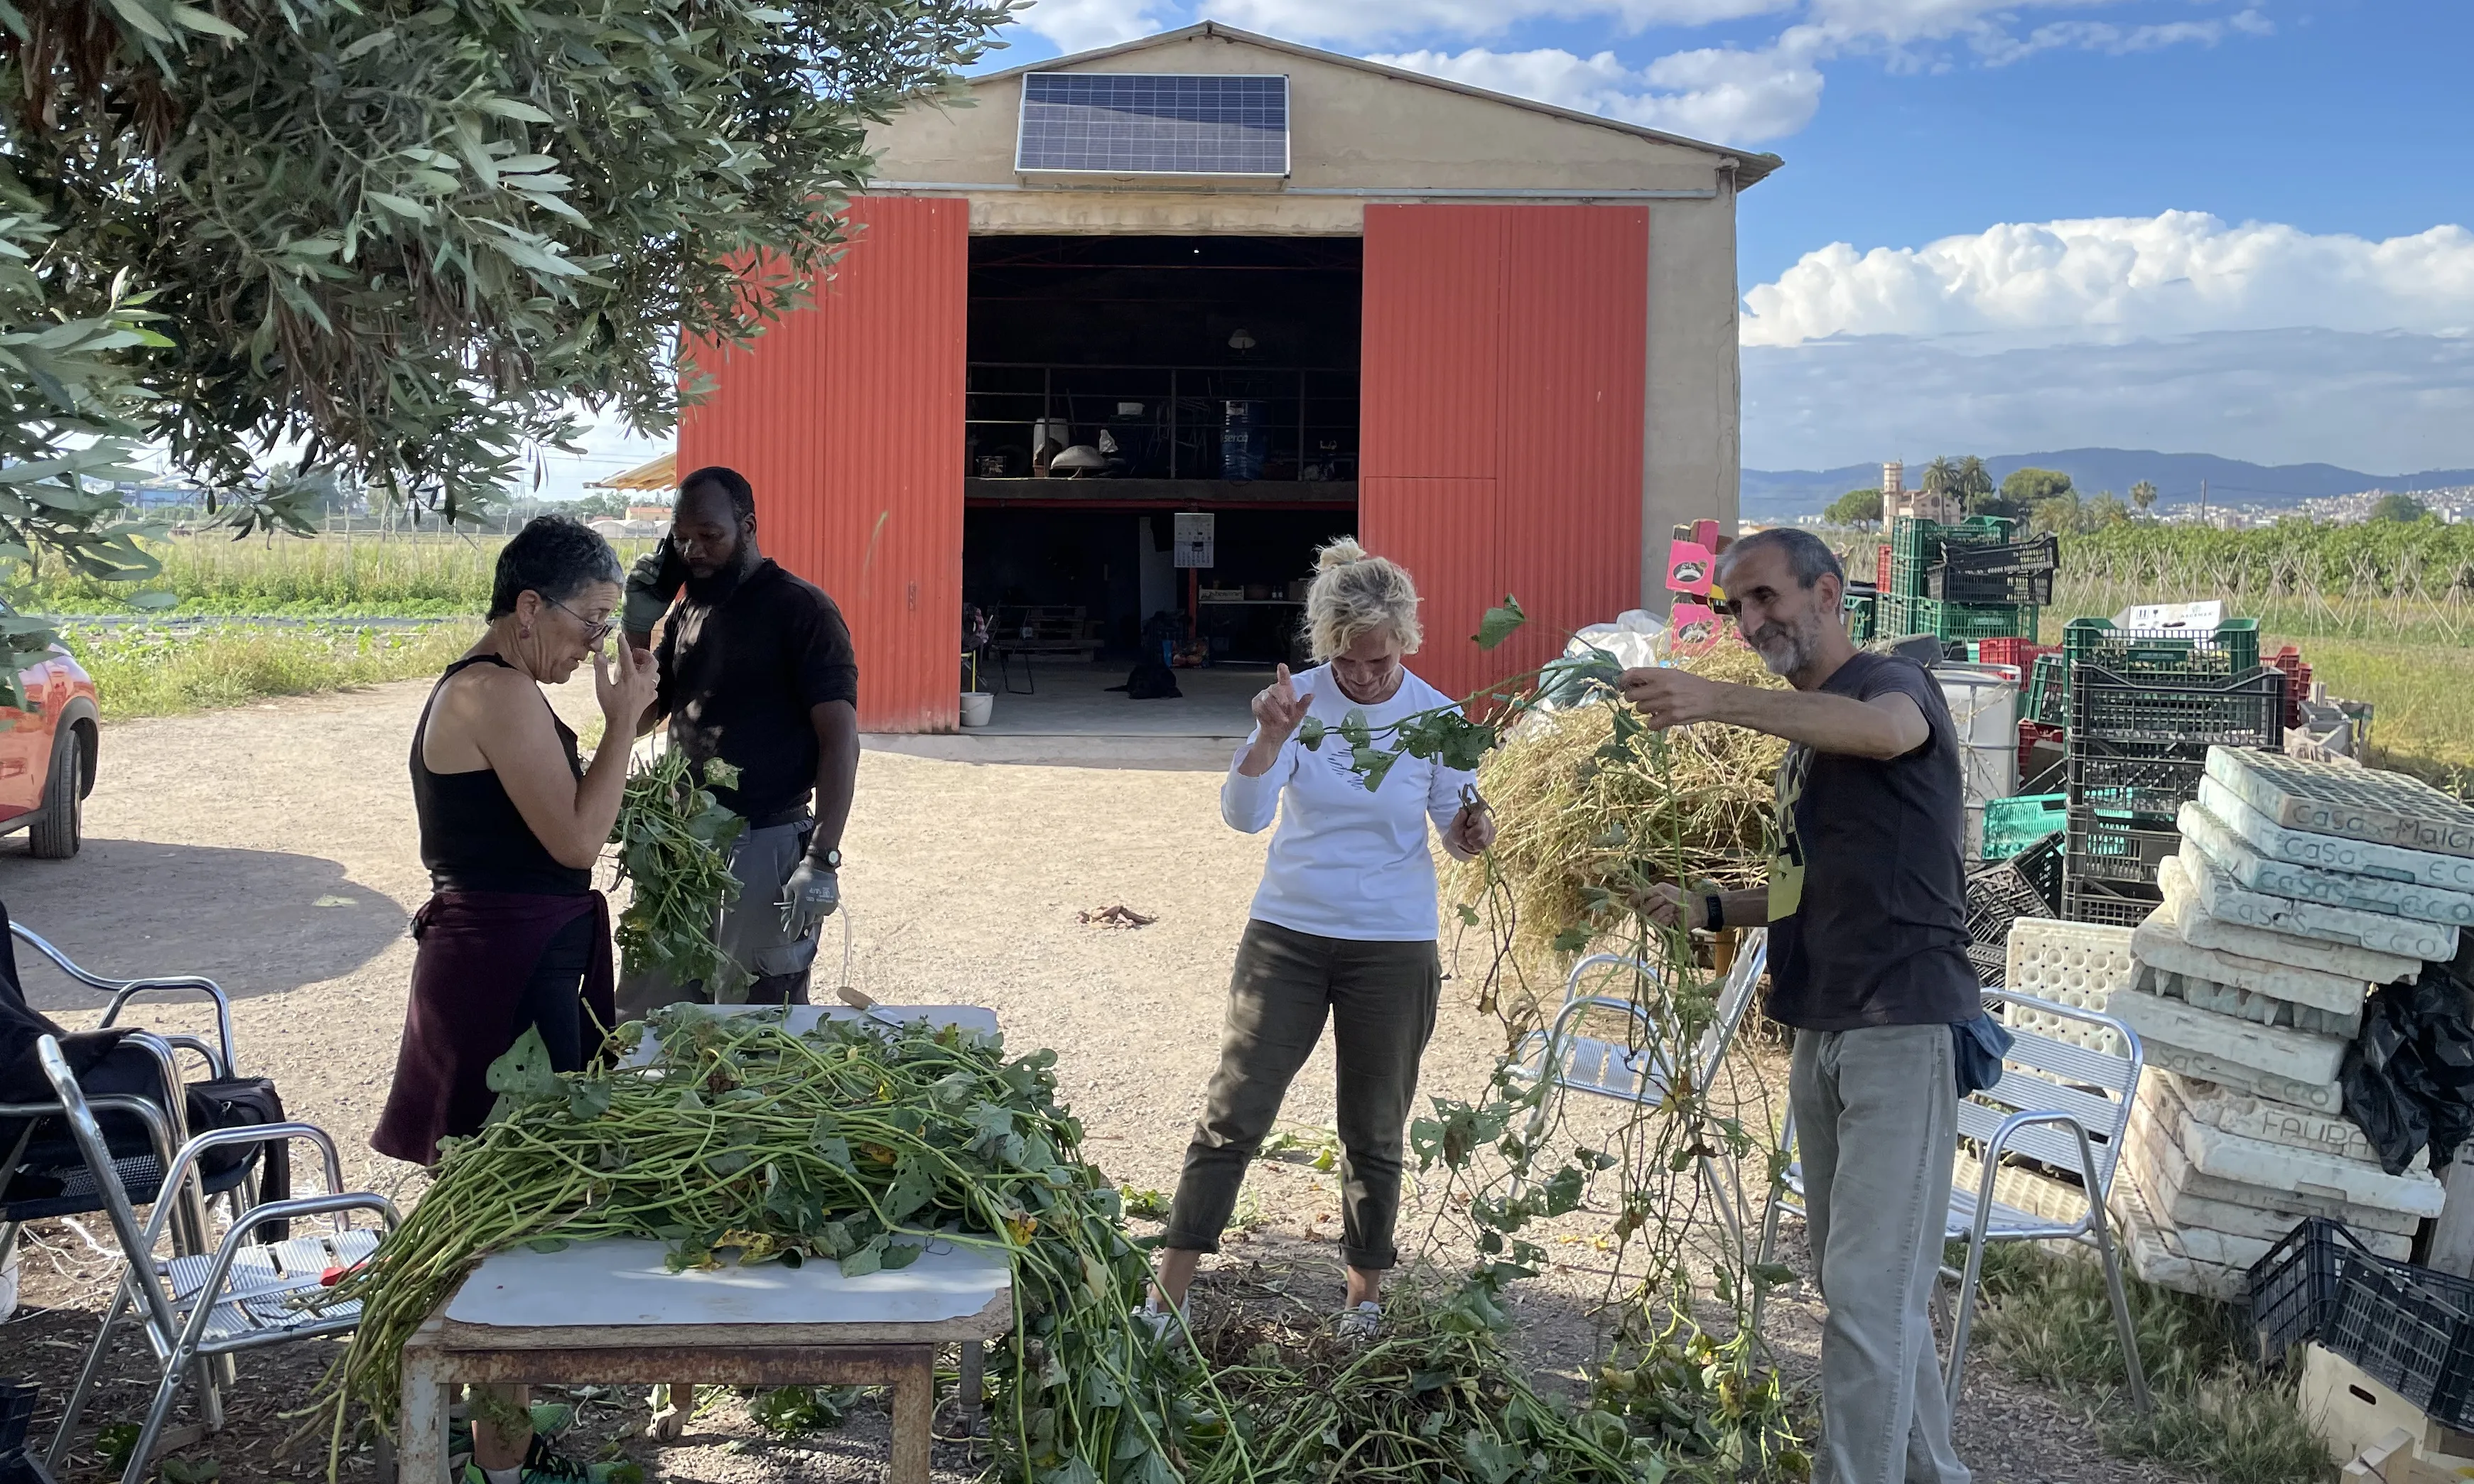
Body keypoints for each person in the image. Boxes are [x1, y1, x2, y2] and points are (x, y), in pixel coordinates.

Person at [1618, 526, 1975, 1484]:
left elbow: (1892, 735)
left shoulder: (1890, 687)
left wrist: (1715, 702)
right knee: (1870, 1291)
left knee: (1864, 1291)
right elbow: (1800, 884)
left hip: (1901, 1022)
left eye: (1765, 596)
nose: (1749, 620)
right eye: (1735, 606)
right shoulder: (1806, 737)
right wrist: (1705, 907)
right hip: (1821, 1024)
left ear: (1828, 592)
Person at [1145, 538, 1496, 1340]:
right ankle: (1168, 1292)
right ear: (1323, 643)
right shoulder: (1291, 702)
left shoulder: (1437, 717)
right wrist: (1266, 743)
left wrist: (1475, 828)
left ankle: (1362, 1304)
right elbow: (1243, 816)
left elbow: (1457, 826)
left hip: (1393, 943)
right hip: (1289, 936)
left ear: (1404, 641)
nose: (1364, 677)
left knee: (1373, 1126)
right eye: (1347, 660)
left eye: (1379, 662)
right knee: (1234, 1110)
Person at [373, 515, 657, 1483]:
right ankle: (502, 1463)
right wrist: (622, 723)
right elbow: (578, 842)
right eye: (588, 622)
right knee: (510, 1222)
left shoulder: (509, 689)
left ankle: (495, 1434)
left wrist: (624, 722)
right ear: (528, 608)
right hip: (497, 975)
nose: (593, 646)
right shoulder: (491, 692)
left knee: (508, 1211)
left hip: (512, 959)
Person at [618, 465, 859, 1010]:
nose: (693, 551)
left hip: (764, 844)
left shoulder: (802, 610)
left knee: (755, 1014)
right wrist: (637, 628)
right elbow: (637, 718)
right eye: (681, 538)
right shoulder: (687, 610)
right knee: (650, 1010)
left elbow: (840, 740)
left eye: (709, 536)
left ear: (748, 526)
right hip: (679, 843)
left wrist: (821, 857)